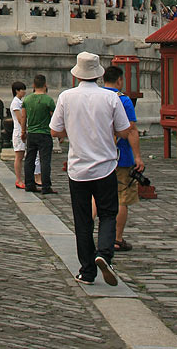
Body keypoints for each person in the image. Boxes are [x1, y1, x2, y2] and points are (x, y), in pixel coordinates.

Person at [49, 52, 140, 286]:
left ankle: (87, 271)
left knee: (82, 222)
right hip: (105, 167)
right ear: (98, 73)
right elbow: (123, 130)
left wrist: (74, 131)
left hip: (78, 169)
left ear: (76, 74)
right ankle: (104, 253)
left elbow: (55, 131)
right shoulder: (111, 98)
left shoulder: (66, 97)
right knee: (108, 213)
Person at [101, 65, 140, 251]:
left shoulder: (96, 98)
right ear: (119, 80)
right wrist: (138, 157)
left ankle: (86, 233)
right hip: (121, 156)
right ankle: (117, 239)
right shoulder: (123, 100)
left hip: (99, 156)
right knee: (122, 197)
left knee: (97, 196)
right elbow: (131, 130)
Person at [24, 74, 56, 194]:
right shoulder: (48, 100)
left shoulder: (27, 99)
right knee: (45, 160)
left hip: (31, 132)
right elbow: (54, 118)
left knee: (29, 159)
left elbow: (23, 117)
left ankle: (29, 183)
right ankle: (46, 186)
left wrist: (23, 131)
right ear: (45, 85)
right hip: (44, 133)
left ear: (33, 85)